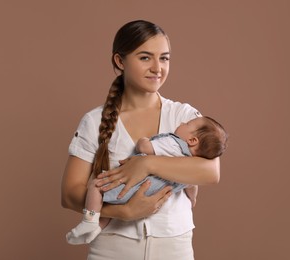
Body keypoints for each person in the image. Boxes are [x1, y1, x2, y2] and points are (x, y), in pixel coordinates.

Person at [61, 20, 221, 260]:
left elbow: (211, 172)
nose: (157, 68)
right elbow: (69, 193)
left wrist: (146, 164)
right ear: (120, 61)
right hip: (111, 249)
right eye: (145, 57)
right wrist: (122, 211)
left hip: (173, 247)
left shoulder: (184, 117)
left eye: (164, 58)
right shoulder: (94, 120)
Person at [66, 116, 228, 245]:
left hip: (133, 185)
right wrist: (193, 198)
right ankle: (97, 227)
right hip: (151, 193)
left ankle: (90, 221)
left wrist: (143, 141)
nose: (183, 122)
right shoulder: (190, 168)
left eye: (187, 123)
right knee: (112, 206)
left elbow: (144, 148)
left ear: (192, 140)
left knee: (96, 186)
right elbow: (193, 184)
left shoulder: (173, 144)